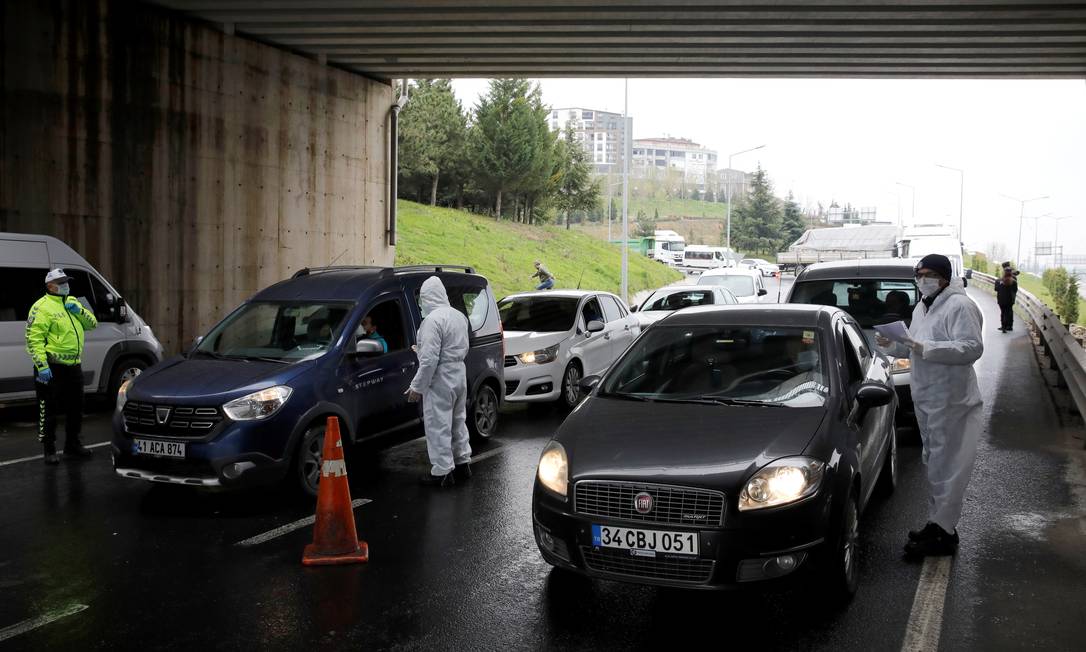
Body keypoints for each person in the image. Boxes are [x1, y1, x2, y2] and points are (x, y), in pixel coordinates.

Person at [875, 254, 983, 557]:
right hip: (929, 398)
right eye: (919, 274)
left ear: (945, 277)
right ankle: (939, 524)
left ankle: (943, 533)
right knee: (935, 464)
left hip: (952, 401)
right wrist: (894, 344)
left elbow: (971, 348)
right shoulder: (924, 306)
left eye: (929, 274)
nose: (923, 279)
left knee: (949, 467)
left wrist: (921, 346)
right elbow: (915, 344)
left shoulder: (960, 306)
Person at [25, 268, 98, 465]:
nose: (66, 285)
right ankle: (49, 450)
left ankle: (72, 445)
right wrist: (42, 366)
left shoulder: (72, 302)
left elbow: (92, 324)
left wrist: (80, 311)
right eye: (62, 282)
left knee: (76, 407)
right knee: (47, 410)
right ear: (50, 286)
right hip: (51, 367)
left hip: (73, 366)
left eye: (67, 281)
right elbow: (34, 339)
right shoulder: (41, 307)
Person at [406, 277, 472, 487]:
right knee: (458, 421)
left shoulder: (432, 320)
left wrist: (417, 386)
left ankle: (442, 472)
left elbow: (429, 360)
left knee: (438, 424)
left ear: (427, 298)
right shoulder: (459, 316)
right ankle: (463, 463)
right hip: (459, 372)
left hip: (441, 377)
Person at [995, 267, 1018, 332]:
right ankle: (1008, 326)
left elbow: (996, 289)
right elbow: (1015, 290)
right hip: (1010, 300)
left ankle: (1003, 326)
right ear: (1011, 273)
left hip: (1001, 299)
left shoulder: (999, 281)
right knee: (1008, 312)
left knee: (1003, 312)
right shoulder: (1014, 282)